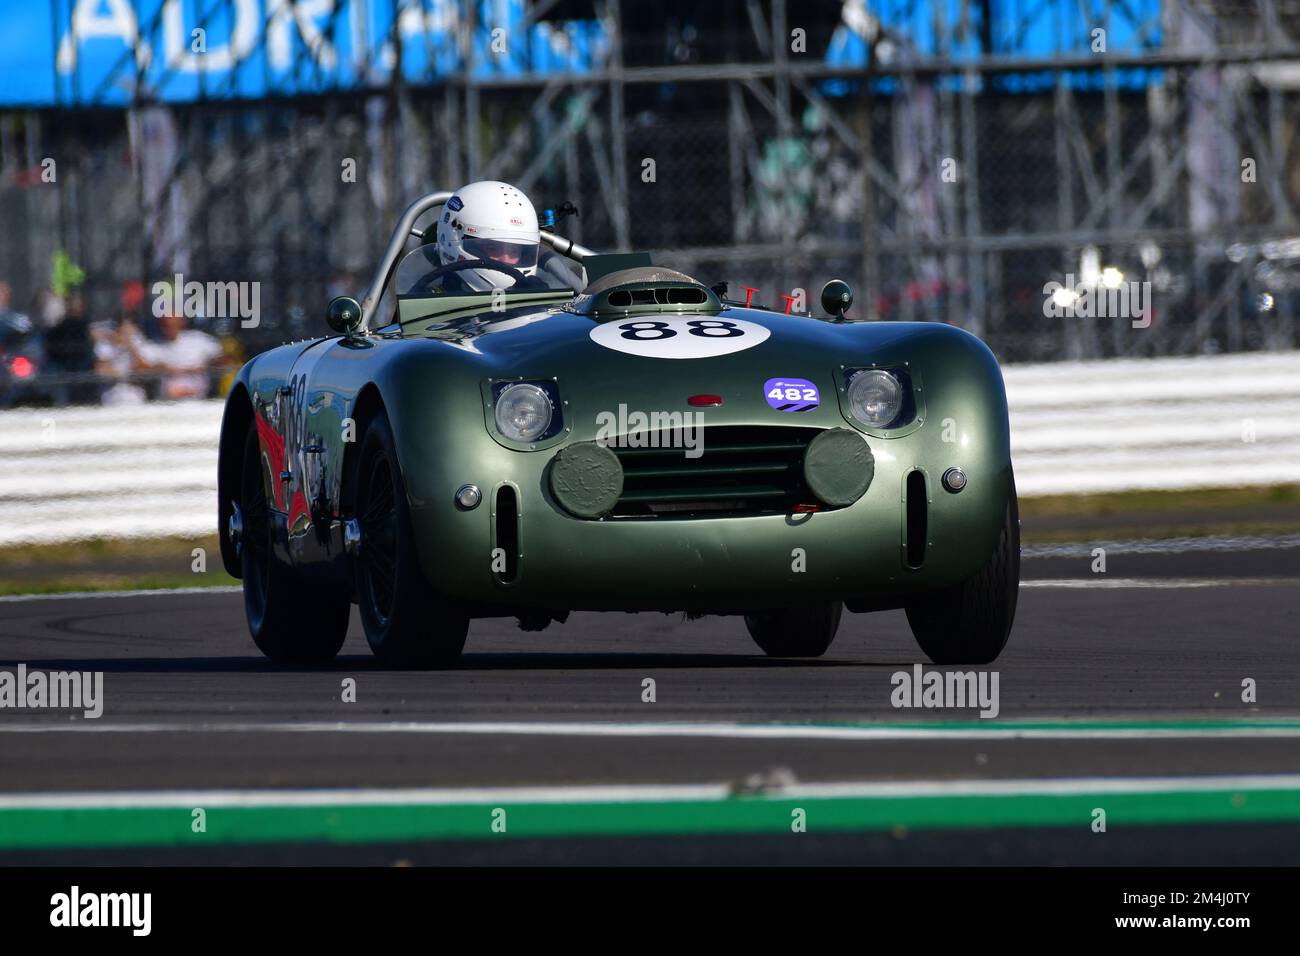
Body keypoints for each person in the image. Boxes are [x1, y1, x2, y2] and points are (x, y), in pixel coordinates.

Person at [129, 306, 226, 400]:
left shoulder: (199, 339)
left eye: (172, 323)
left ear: (181, 322)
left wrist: (205, 366)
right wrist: (161, 368)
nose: (169, 327)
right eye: (165, 324)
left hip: (199, 400)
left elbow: (223, 359)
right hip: (167, 403)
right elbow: (139, 368)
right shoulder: (154, 345)